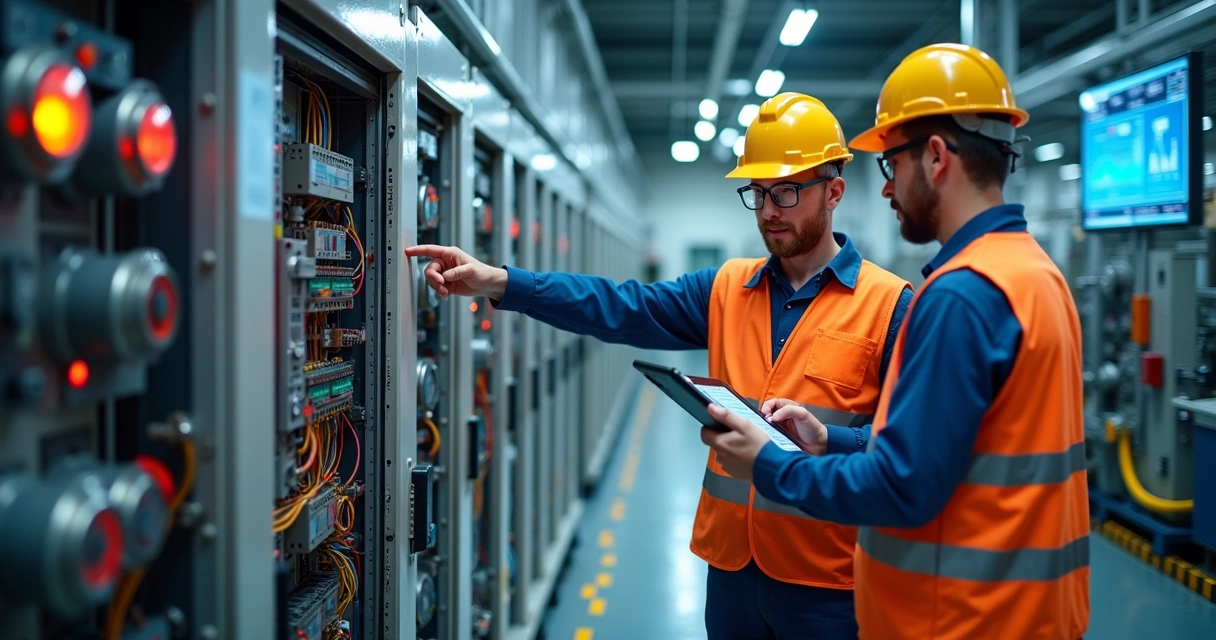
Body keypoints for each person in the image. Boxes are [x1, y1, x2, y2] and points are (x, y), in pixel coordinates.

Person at [406, 92, 913, 639]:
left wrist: (831, 442)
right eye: (758, 192)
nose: (768, 210)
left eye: (786, 191)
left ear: (834, 191)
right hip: (732, 574)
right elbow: (620, 306)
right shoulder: (726, 288)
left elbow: (905, 452)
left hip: (827, 582)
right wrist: (503, 282)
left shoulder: (891, 305)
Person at [701, 43, 1089, 640]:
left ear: (935, 157)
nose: (886, 189)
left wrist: (767, 462)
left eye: (892, 164)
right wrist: (829, 439)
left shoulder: (961, 296)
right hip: (1029, 614)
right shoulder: (1036, 275)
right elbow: (958, 458)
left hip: (963, 619)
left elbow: (899, 487)